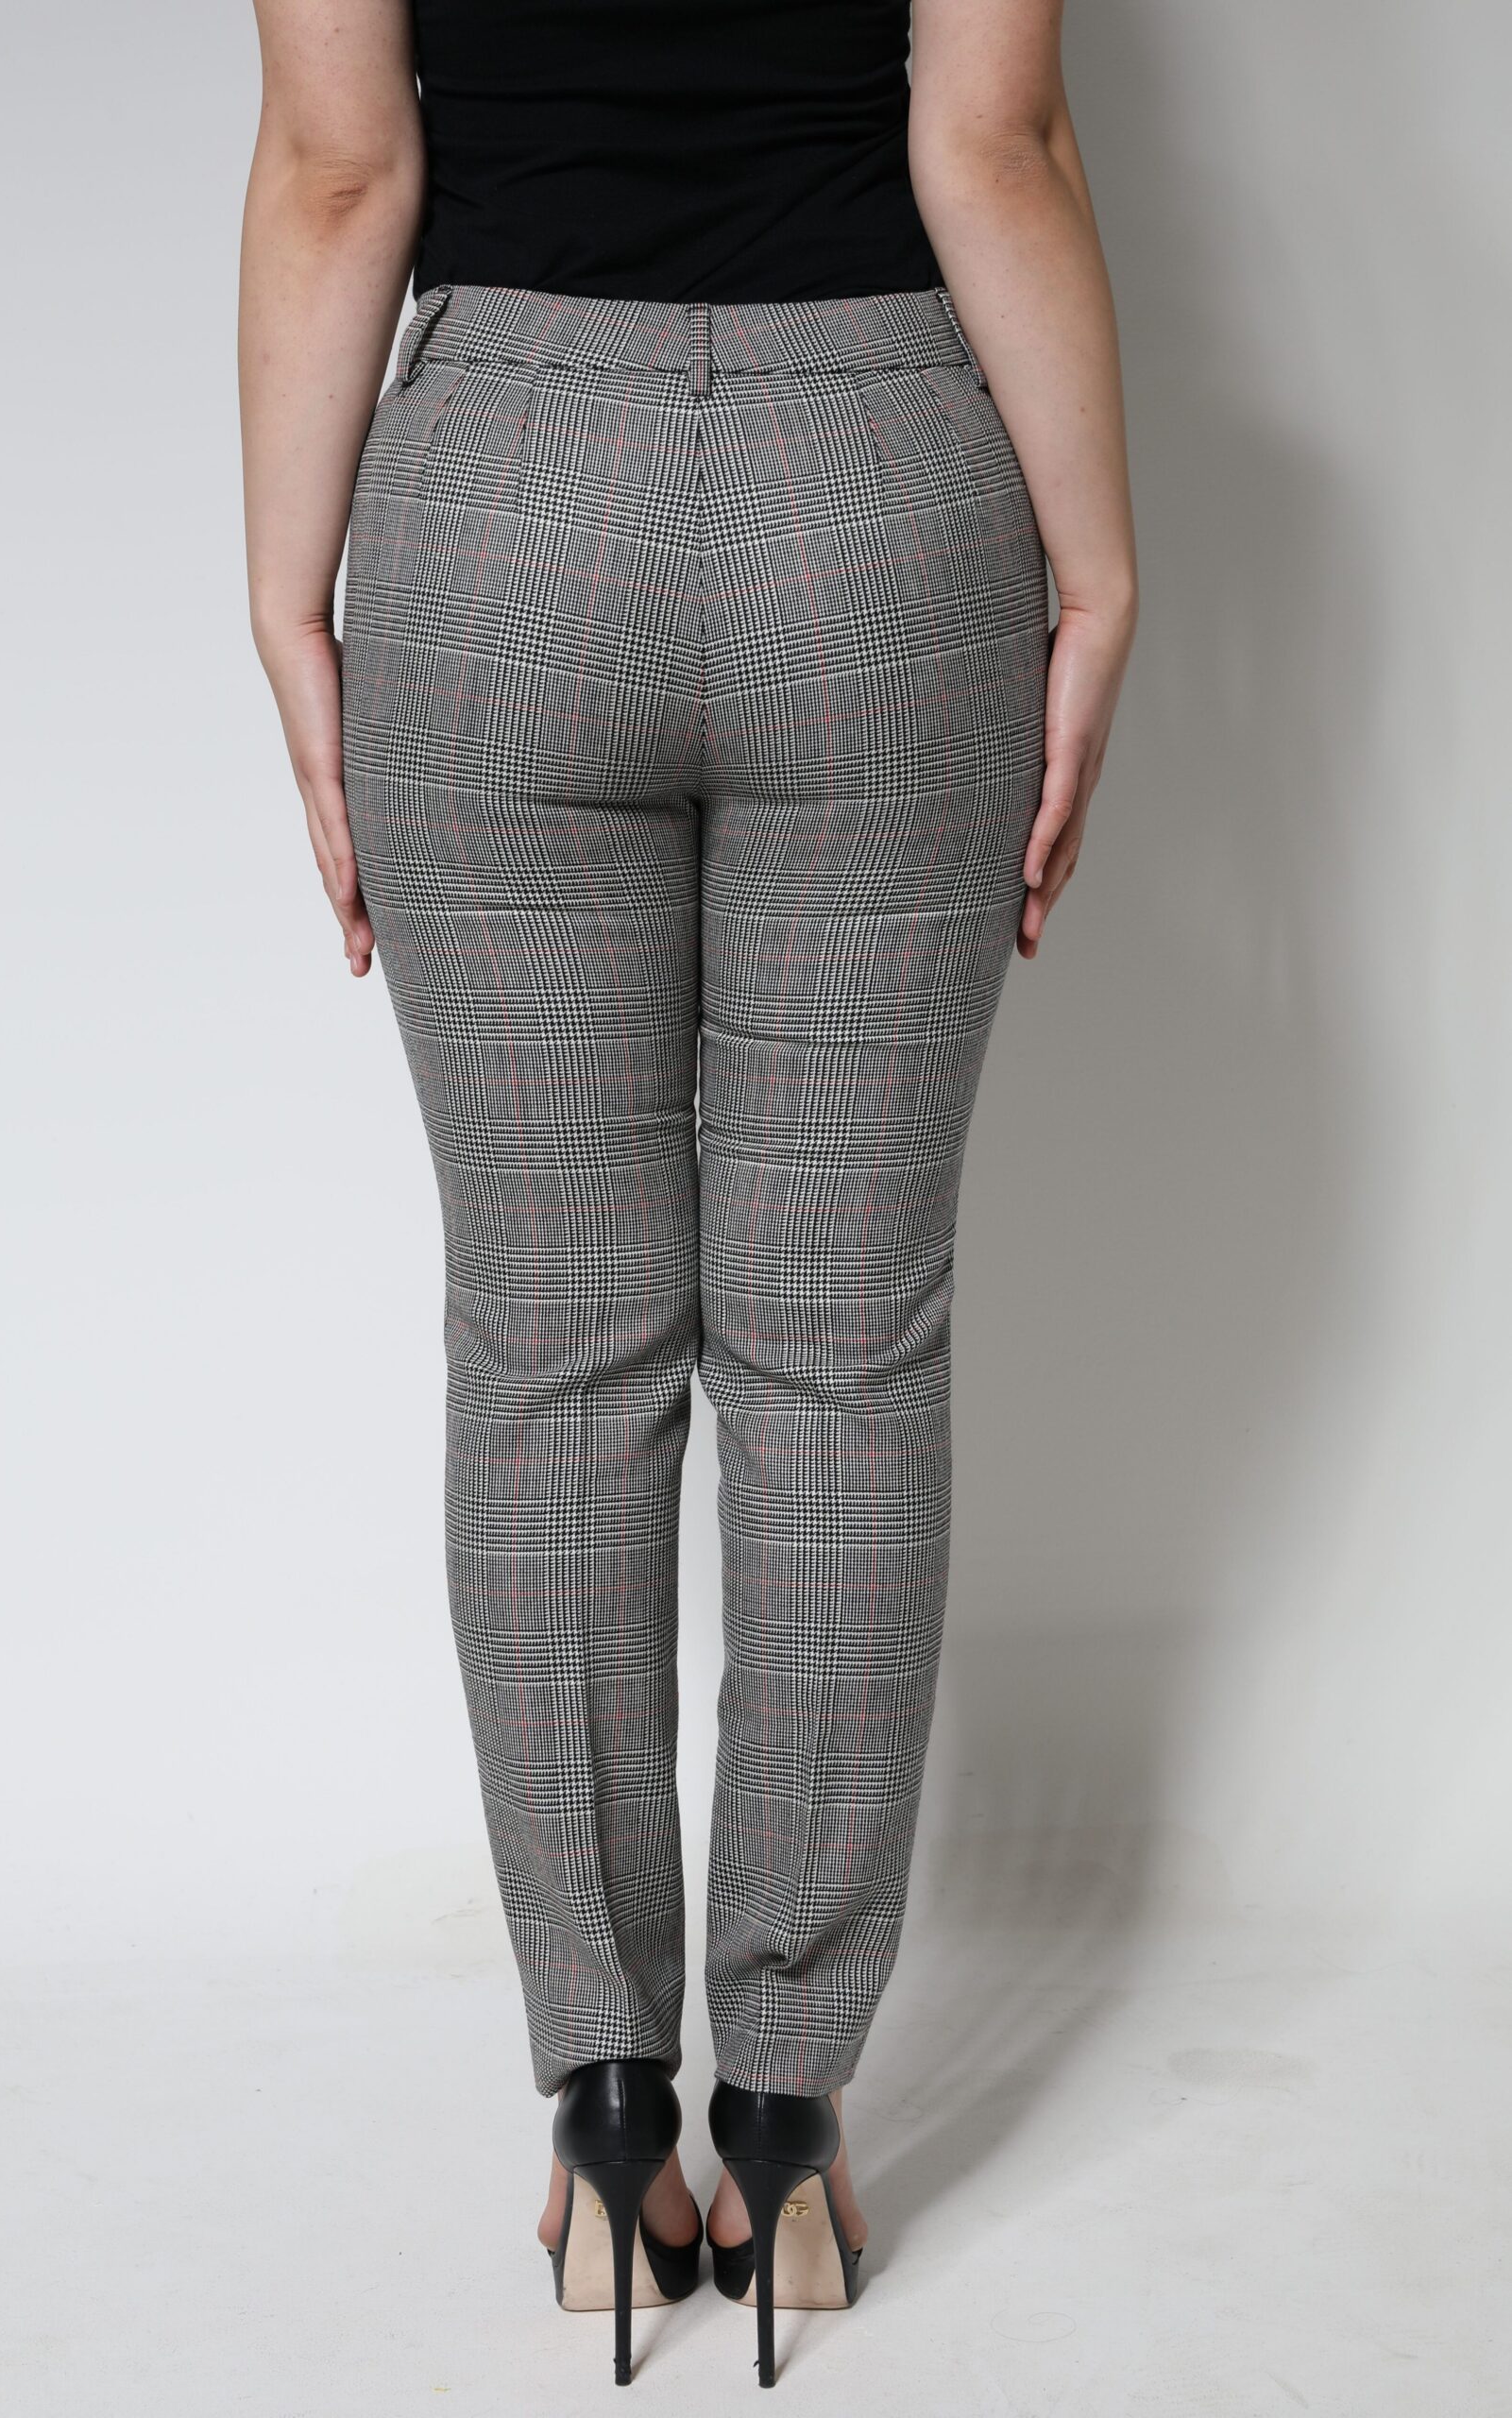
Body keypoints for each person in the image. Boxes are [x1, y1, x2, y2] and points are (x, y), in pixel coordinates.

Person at [238, 0, 1136, 2388]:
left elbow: (336, 169)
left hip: (496, 503)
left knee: (551, 1344)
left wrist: (291, 595)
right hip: (885, 501)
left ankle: (610, 2113)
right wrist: (1094, 564)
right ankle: (790, 2115)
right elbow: (993, 137)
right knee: (840, 1343)